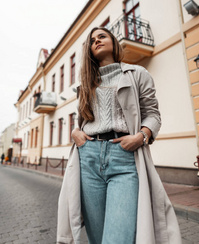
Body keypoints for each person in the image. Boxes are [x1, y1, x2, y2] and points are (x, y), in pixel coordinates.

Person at [57, 27, 182, 244]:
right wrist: (74, 132)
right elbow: (83, 121)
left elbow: (153, 115)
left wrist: (141, 136)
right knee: (97, 237)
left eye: (102, 36)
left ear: (114, 42)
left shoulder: (137, 74)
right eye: (92, 40)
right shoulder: (87, 84)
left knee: (117, 238)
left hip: (124, 158)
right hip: (89, 158)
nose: (97, 41)